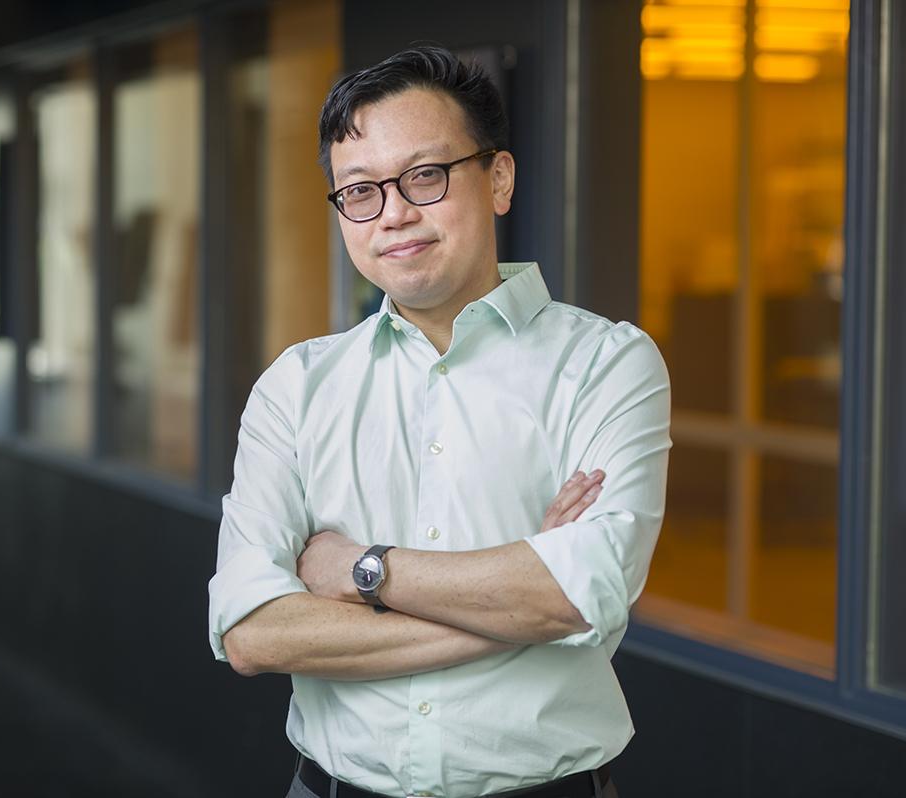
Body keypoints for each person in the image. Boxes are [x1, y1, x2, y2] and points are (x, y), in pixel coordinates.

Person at [208, 45, 671, 798]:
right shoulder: (296, 386)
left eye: (425, 176)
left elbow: (575, 593)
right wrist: (513, 609)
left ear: (498, 179)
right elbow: (254, 632)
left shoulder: (606, 364)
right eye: (359, 191)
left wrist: (361, 571)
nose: (393, 213)